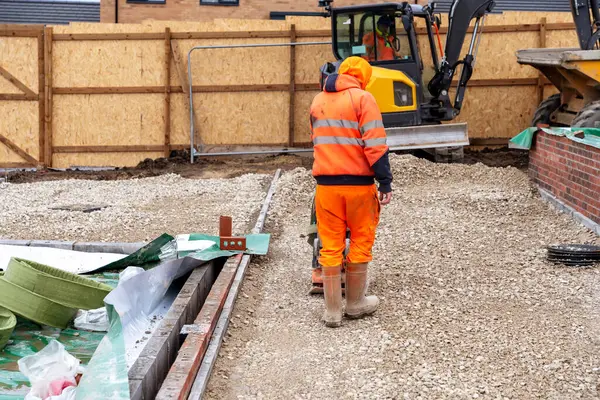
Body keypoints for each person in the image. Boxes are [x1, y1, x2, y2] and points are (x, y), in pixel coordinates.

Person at [309, 56, 393, 328]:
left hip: (326, 188)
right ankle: (355, 304)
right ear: (363, 77)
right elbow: (376, 145)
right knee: (360, 240)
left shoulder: (317, 101)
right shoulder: (363, 99)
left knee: (330, 245)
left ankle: (332, 312)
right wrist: (385, 182)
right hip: (358, 187)